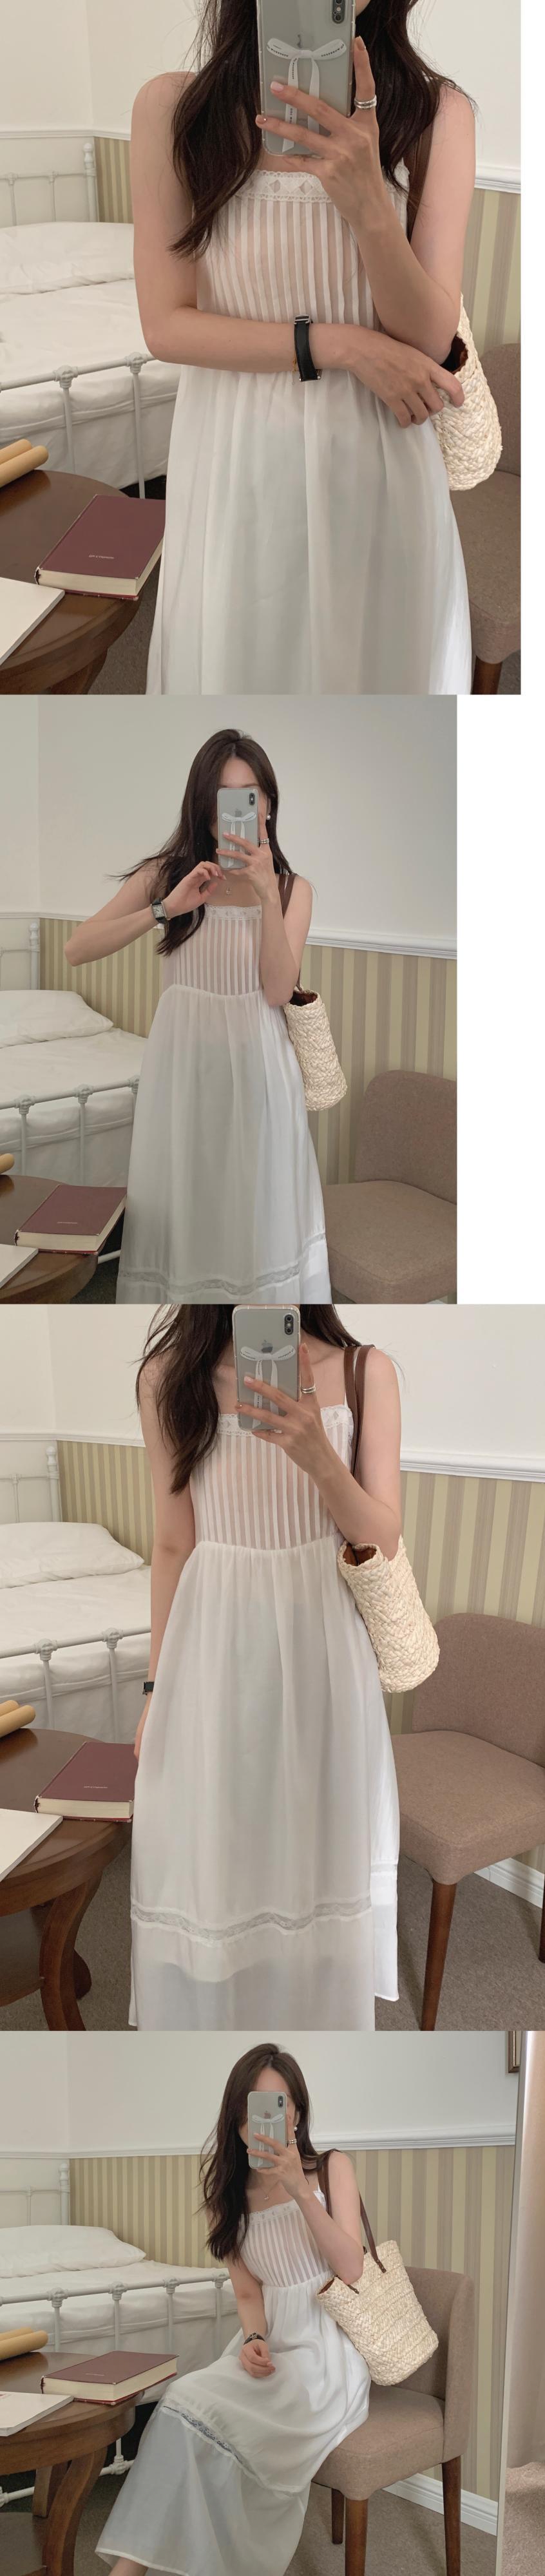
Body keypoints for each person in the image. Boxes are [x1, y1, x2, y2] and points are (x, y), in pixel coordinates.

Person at [131, 2, 475, 695]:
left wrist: (369, 204)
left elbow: (428, 339)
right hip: (235, 463)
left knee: (376, 683)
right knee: (238, 672)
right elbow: (166, 326)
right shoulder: (173, 109)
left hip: (375, 461)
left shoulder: (436, 115)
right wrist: (339, 344)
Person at [129, 1303, 401, 2029]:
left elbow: (384, 1542)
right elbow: (173, 1544)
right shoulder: (167, 1379)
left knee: (318, 1858)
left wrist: (318, 1454)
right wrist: (156, 1688)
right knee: (220, 1857)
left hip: (326, 1656)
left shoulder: (365, 1371)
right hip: (214, 1653)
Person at [64, 730, 330, 1304]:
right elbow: (77, 948)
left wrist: (265, 896)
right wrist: (165, 909)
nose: (236, 810)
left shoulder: (293, 890)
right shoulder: (167, 876)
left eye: (249, 795)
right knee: (187, 1209)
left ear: (268, 805)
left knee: (254, 1215)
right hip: (183, 1072)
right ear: (203, 807)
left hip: (260, 1075)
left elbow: (277, 989)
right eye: (222, 796)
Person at [97, 2043, 372, 2576]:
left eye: (280, 2104)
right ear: (237, 2120)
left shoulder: (332, 2167)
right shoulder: (227, 2197)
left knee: (239, 2425)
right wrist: (253, 2339)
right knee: (181, 2401)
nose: (268, 2120)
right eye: (254, 2109)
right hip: (271, 2344)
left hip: (328, 2354)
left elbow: (352, 2268)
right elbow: (248, 2295)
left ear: (297, 2112)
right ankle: (130, 2569)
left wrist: (299, 2190)